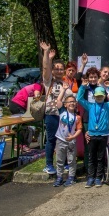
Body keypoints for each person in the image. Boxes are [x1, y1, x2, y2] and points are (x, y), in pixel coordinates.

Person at [77, 82, 109, 188]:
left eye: (101, 96)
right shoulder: (90, 106)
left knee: (101, 158)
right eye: (97, 96)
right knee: (91, 157)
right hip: (92, 135)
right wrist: (82, 87)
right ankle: (90, 177)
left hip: (103, 135)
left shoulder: (107, 105)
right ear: (94, 97)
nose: (99, 97)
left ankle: (98, 178)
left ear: (104, 96)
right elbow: (79, 99)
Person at [39, 41, 71, 175]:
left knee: (63, 139)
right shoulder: (49, 81)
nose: (59, 71)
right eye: (56, 69)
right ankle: (49, 165)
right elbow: (45, 68)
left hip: (63, 115)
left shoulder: (65, 83)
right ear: (53, 70)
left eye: (61, 69)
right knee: (51, 139)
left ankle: (64, 163)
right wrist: (46, 53)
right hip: (51, 114)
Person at [53, 87, 82, 187]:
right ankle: (59, 177)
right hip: (60, 140)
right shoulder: (62, 112)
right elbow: (58, 100)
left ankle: (71, 177)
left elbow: (79, 129)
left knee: (71, 160)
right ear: (65, 104)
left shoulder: (77, 117)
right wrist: (63, 90)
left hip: (71, 141)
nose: (72, 103)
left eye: (73, 102)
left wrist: (73, 136)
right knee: (59, 160)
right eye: (69, 102)